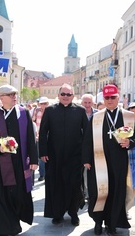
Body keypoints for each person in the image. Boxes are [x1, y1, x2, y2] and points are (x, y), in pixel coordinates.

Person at [81, 85, 135, 235]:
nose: (109, 100)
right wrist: (86, 159)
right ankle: (97, 221)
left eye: (112, 97)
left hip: (119, 162)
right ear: (103, 99)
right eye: (107, 97)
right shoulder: (96, 116)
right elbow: (87, 139)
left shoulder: (127, 116)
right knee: (98, 193)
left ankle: (112, 223)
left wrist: (129, 142)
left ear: (118, 97)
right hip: (98, 161)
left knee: (116, 192)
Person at [0, 84, 38, 235]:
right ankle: (4, 228)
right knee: (1, 195)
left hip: (19, 162)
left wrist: (34, 159)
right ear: (2, 98)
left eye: (15, 94)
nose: (14, 97)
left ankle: (15, 223)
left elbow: (30, 138)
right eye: (11, 94)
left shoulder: (23, 113)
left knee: (18, 195)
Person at [38, 83, 88, 226]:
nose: (66, 97)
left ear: (73, 96)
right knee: (56, 184)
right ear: (59, 95)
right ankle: (57, 213)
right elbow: (43, 132)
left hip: (75, 156)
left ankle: (73, 213)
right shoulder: (50, 110)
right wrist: (43, 152)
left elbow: (87, 134)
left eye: (69, 94)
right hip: (54, 156)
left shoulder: (80, 111)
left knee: (74, 185)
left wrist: (85, 156)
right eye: (63, 94)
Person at [32, 96, 49, 182]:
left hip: (48, 137)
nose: (43, 105)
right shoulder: (36, 111)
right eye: (42, 104)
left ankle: (46, 174)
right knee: (41, 156)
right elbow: (33, 122)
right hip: (39, 136)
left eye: (45, 103)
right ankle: (42, 174)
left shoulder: (50, 111)